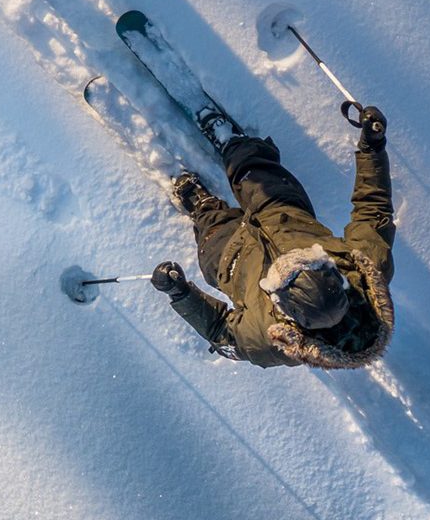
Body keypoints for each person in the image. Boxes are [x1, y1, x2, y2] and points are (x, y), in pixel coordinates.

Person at [152, 106, 395, 369]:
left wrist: (181, 294)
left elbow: (222, 332)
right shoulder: (365, 267)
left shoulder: (269, 339)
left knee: (212, 232)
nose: (282, 259)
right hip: (284, 216)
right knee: (252, 167)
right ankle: (233, 143)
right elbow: (372, 209)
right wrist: (373, 148)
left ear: (288, 311)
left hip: (233, 261)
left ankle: (204, 207)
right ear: (334, 273)